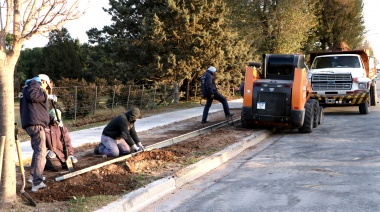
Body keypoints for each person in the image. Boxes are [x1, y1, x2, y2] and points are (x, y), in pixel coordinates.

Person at [20, 74, 57, 192]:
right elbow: (34, 96)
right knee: (41, 152)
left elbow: (40, 111)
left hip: (33, 123)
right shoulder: (34, 84)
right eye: (46, 86)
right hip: (36, 125)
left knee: (37, 151)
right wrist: (48, 96)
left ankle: (33, 176)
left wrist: (52, 120)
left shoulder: (29, 87)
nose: (45, 89)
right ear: (43, 81)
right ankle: (37, 182)